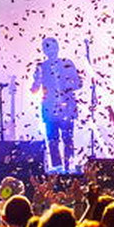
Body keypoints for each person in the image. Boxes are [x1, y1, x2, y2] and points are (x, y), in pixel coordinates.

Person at [31, 37, 82, 171]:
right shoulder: (41, 67)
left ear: (58, 48)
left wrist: (67, 85)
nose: (51, 51)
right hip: (49, 108)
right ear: (44, 50)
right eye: (47, 48)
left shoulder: (67, 63)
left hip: (67, 109)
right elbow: (35, 89)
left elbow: (78, 83)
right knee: (52, 140)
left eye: (53, 47)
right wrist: (36, 81)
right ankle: (57, 167)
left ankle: (69, 167)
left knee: (67, 139)